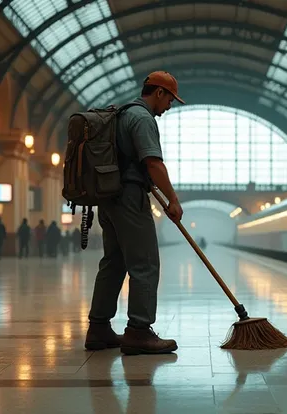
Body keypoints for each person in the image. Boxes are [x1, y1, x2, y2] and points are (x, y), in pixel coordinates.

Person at [85, 71, 184, 355]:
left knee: (114, 262)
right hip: (129, 196)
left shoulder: (120, 115)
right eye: (170, 101)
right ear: (159, 93)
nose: (169, 107)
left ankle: (99, 327)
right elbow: (153, 163)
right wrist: (173, 199)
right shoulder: (142, 119)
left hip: (108, 197)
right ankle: (139, 331)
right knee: (145, 263)